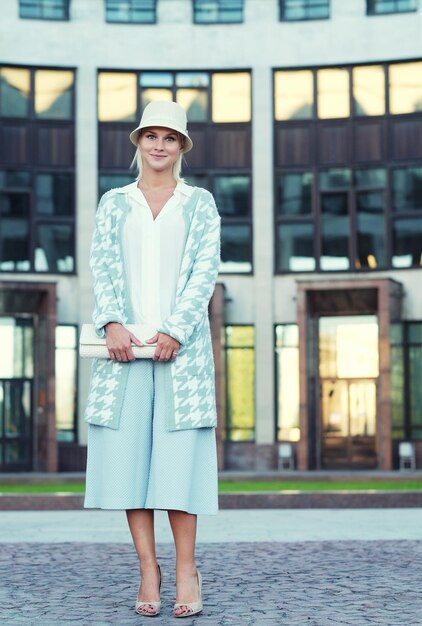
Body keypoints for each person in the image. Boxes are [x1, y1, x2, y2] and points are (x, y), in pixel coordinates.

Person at [83, 100, 221, 618]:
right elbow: (103, 266)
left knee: (177, 469)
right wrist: (112, 322)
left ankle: (187, 570)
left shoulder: (199, 203)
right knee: (129, 468)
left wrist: (176, 330)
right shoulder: (114, 202)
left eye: (169, 137)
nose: (159, 145)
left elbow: (204, 271)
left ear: (181, 146)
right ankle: (148, 569)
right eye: (150, 136)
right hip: (123, 354)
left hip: (180, 357)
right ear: (137, 142)